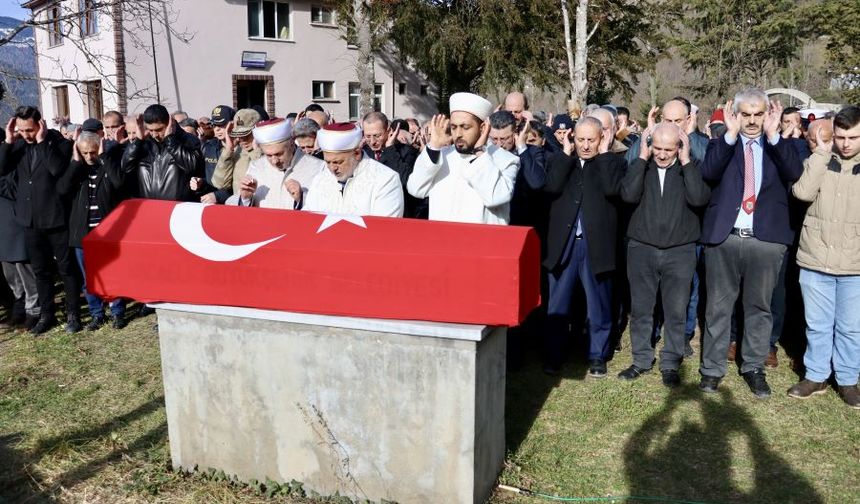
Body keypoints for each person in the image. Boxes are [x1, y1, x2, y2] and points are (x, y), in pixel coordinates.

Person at [698, 88, 803, 398]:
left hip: (765, 240)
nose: (753, 120)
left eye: (759, 114)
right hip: (725, 238)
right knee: (718, 307)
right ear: (736, 114)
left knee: (759, 307)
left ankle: (754, 367)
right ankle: (712, 369)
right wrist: (729, 135)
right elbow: (708, 173)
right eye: (747, 114)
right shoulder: (722, 144)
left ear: (767, 115)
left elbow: (795, 174)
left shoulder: (781, 146)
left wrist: (774, 136)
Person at [618, 123, 710, 387]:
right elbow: (628, 194)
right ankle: (641, 360)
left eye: (668, 149)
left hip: (679, 252)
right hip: (642, 249)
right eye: (656, 147)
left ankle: (671, 362)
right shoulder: (641, 166)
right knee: (642, 309)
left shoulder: (690, 168)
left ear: (679, 147)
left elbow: (698, 198)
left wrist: (687, 162)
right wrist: (641, 158)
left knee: (675, 310)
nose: (661, 154)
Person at [788, 105, 860, 409]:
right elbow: (802, 193)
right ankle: (815, 375)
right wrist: (820, 153)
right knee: (817, 323)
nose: (845, 143)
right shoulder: (818, 160)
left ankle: (847, 380)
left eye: (853, 137)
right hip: (816, 258)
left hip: (854, 263)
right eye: (841, 136)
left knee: (851, 326)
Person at [542, 117, 625, 377]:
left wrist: (604, 156)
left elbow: (613, 190)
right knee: (558, 304)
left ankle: (597, 355)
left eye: (592, 139)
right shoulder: (561, 161)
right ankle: (554, 355)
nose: (586, 145)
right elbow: (551, 187)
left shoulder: (612, 163)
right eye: (581, 139)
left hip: (595, 246)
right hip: (564, 246)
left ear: (602, 139)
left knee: (599, 304)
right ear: (572, 138)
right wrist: (565, 155)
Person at [0, 106, 80, 334]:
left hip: (55, 218)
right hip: (30, 220)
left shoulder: (58, 143)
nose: (26, 134)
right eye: (22, 130)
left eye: (30, 129)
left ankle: (73, 314)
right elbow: (2, 168)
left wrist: (43, 142)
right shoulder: (18, 146)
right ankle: (47, 315)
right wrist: (7, 141)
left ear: (40, 124)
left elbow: (57, 170)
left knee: (66, 269)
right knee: (41, 271)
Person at [408, 92, 519, 225]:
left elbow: (495, 197)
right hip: (443, 242)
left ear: (483, 128)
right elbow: (416, 189)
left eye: (465, 127)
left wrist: (479, 153)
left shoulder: (505, 159)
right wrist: (433, 148)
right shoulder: (441, 155)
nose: (458, 134)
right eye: (454, 127)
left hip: (483, 243)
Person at [57, 131, 129, 330]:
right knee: (89, 277)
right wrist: (75, 162)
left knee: (111, 273)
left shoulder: (107, 165)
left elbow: (119, 183)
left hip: (106, 232)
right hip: (82, 234)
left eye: (94, 152)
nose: (90, 156)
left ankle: (117, 311)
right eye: (85, 152)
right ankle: (97, 313)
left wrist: (105, 157)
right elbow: (62, 189)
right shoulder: (77, 169)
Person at [303, 123, 404, 217]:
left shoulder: (386, 180)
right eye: (328, 162)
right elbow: (308, 220)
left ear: (357, 154)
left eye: (338, 162)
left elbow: (384, 228)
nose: (332, 168)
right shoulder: (320, 180)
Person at [233, 118, 325, 209]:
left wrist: (301, 198)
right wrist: (246, 198)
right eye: (268, 155)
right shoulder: (256, 167)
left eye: (279, 154)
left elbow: (326, 210)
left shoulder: (318, 168)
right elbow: (244, 215)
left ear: (292, 143)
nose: (274, 161)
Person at [121, 104, 203, 201]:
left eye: (159, 130)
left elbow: (193, 166)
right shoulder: (144, 143)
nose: (155, 135)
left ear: (170, 122)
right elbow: (126, 167)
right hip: (149, 207)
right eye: (151, 130)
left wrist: (170, 141)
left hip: (177, 209)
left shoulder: (188, 140)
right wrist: (138, 141)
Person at [0, 128, 39, 330]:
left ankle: (32, 309)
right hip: (3, 227)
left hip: (16, 222)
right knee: (10, 272)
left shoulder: (15, 160)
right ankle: (19, 306)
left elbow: (14, 188)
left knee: (24, 269)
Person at [362, 113, 426, 219]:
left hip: (398, 216)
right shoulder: (364, 153)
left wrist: (390, 150)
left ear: (389, 131)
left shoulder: (406, 151)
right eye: (368, 136)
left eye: (377, 136)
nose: (372, 142)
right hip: (370, 216)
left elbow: (406, 182)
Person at [211, 108, 262, 196]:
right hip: (240, 206)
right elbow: (220, 183)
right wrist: (228, 149)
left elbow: (267, 178)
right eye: (238, 135)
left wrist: (257, 151)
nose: (241, 139)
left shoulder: (269, 151)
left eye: (246, 135)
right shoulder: (237, 152)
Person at [194, 105, 235, 204]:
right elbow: (210, 180)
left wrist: (218, 196)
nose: (217, 129)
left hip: (233, 206)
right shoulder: (209, 147)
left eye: (221, 125)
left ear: (232, 124)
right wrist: (201, 183)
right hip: (210, 204)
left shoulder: (241, 150)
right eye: (214, 125)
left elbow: (240, 184)